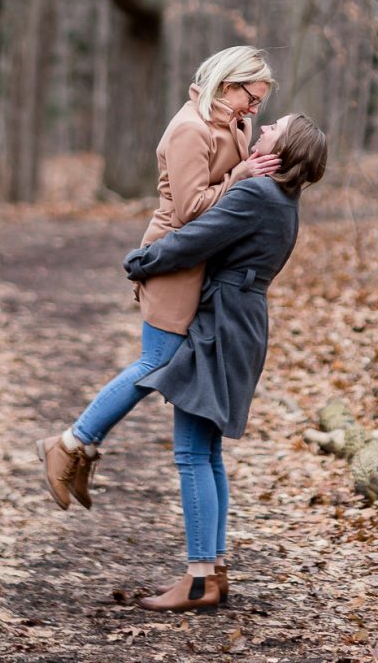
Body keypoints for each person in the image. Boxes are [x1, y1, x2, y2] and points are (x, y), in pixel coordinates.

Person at [37, 47, 280, 512]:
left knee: (162, 366)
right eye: (252, 97)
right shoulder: (190, 129)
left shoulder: (237, 124)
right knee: (155, 363)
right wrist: (243, 175)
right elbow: (190, 211)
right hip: (173, 261)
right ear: (228, 84)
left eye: (260, 103)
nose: (255, 109)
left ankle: (79, 448)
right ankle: (69, 443)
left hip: (204, 264)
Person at [122, 114, 328, 612]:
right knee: (207, 452)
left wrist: (142, 260)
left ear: (285, 149)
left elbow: (197, 237)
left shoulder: (258, 195)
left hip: (223, 324)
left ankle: (198, 580)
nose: (262, 130)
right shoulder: (284, 200)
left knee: (192, 452)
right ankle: (212, 570)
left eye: (272, 128)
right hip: (242, 321)